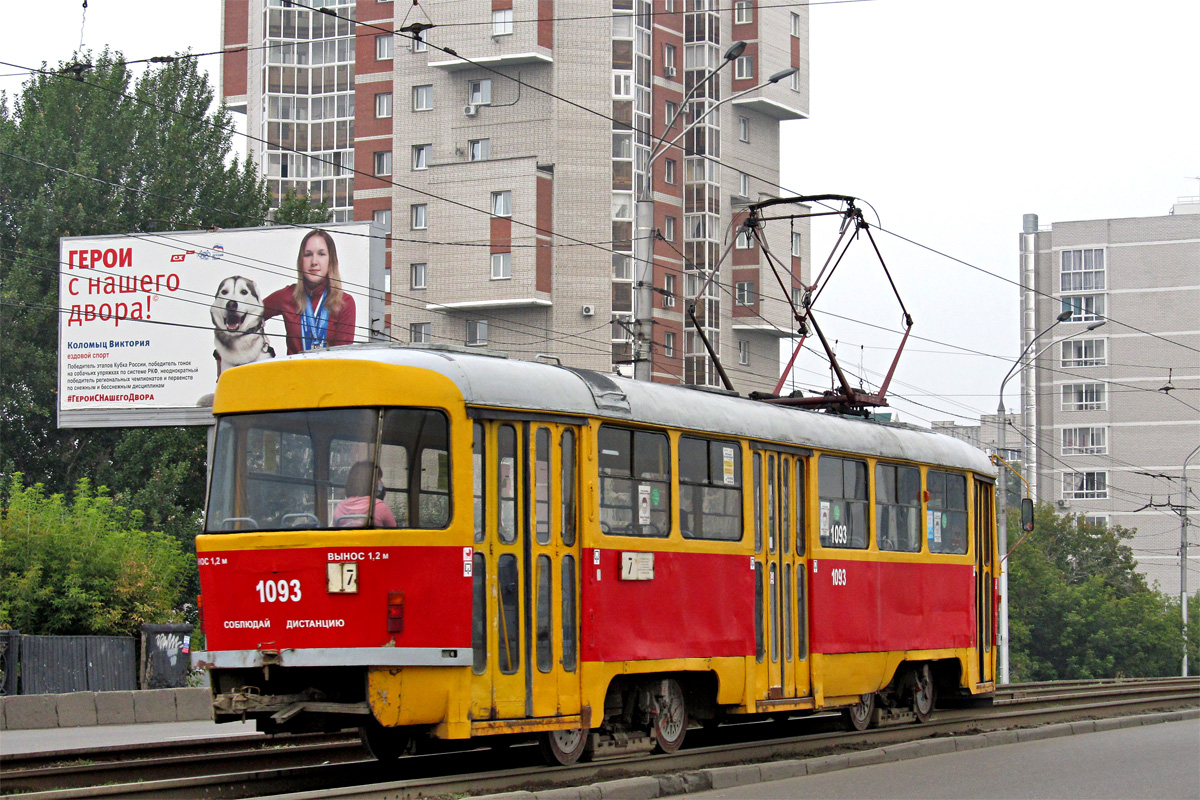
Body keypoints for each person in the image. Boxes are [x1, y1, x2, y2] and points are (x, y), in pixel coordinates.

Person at [263, 229, 356, 355]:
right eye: (308, 254)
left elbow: (342, 357)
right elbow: (248, 314)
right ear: (301, 261)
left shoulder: (345, 303)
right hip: (293, 373)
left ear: (331, 261)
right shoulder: (287, 296)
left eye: (321, 254)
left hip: (328, 373)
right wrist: (263, 351)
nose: (314, 262)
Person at [333, 461, 396, 528]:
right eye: (378, 479)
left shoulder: (340, 507)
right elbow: (395, 532)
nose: (380, 482)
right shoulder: (380, 506)